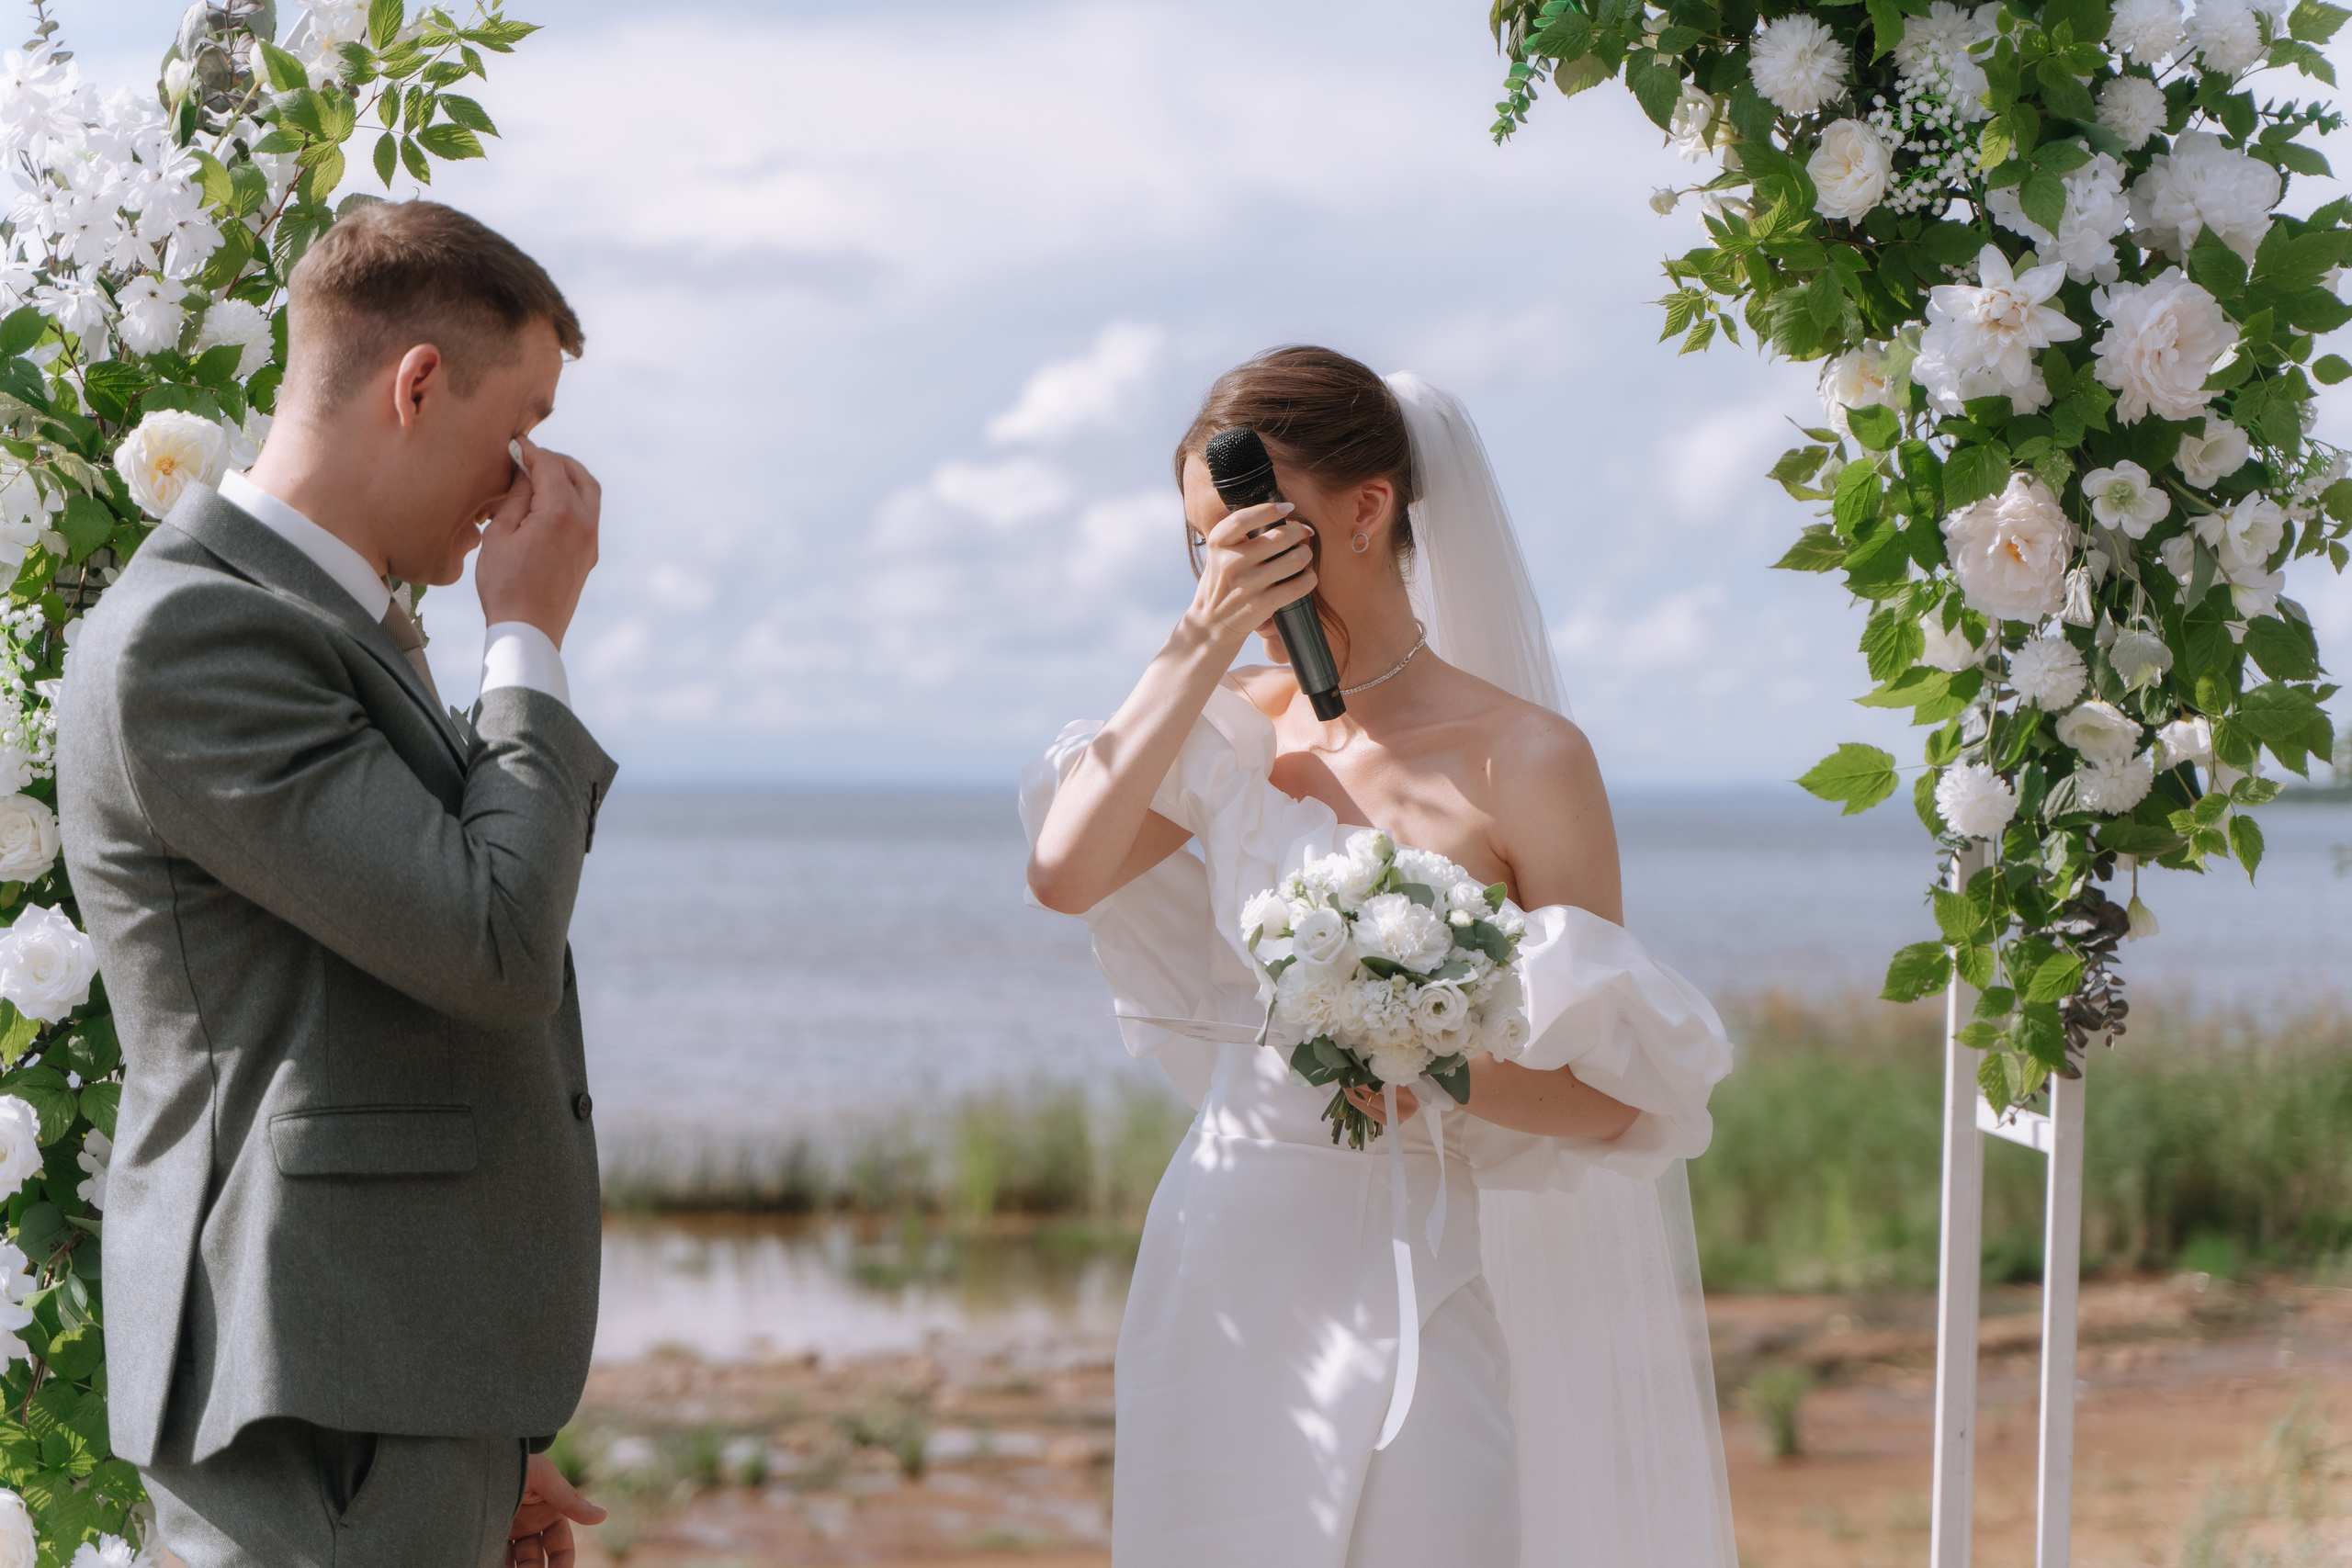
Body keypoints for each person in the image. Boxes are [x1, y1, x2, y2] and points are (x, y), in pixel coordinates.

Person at [1022, 346, 1741, 1565]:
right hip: (1223, 1256)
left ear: (1367, 508)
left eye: (1257, 529)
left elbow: (1617, 1100)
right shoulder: (1234, 726)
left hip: (1418, 1271)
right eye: (1206, 542)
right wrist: (1200, 637)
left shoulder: (1528, 759)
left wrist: (1434, 1067)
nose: (1231, 562)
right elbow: (1064, 872)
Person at [59, 201, 613, 1568]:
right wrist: (528, 637)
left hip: (382, 1399)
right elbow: (490, 940)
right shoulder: (196, 636)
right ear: (417, 386)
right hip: (312, 1417)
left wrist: (478, 1442)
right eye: (520, 426)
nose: (528, 482)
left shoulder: (328, 622)